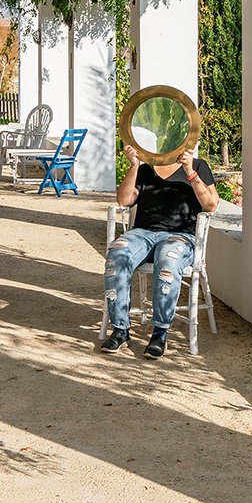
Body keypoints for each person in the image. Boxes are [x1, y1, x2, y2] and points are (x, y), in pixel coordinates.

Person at [100, 145, 219, 358]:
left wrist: (190, 171)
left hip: (181, 236)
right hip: (143, 233)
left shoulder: (198, 166)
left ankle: (159, 333)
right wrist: (134, 165)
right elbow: (124, 200)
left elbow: (211, 205)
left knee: (168, 261)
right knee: (116, 257)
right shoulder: (146, 169)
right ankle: (120, 329)